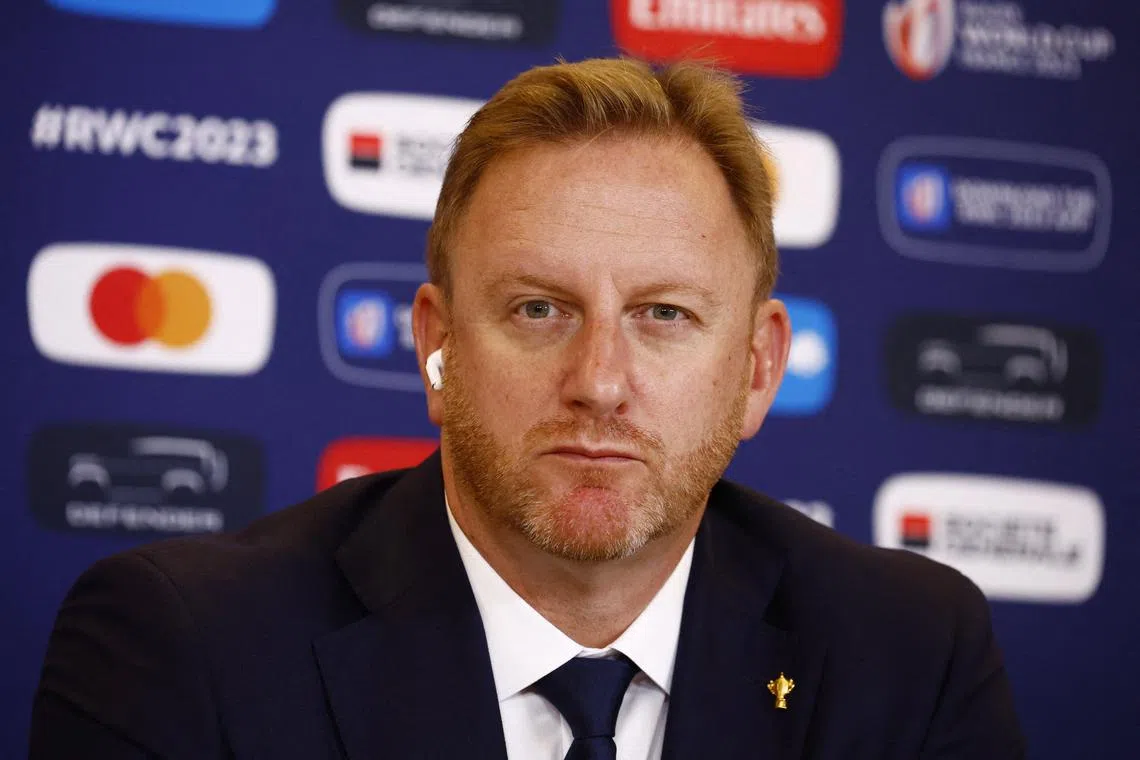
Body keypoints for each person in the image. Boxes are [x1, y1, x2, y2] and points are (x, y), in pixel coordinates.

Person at [29, 57, 1025, 759]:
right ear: (437, 341)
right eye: (539, 308)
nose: (598, 378)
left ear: (759, 368)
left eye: (664, 314)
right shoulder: (186, 647)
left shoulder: (907, 652)